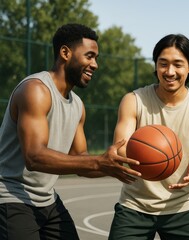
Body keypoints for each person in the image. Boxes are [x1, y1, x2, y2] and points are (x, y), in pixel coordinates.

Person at [0, 23, 141, 240]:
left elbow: (80, 161)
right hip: (11, 197)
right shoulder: (36, 90)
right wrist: (97, 162)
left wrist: (115, 166)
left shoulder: (77, 105)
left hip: (46, 199)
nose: (95, 64)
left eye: (96, 58)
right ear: (65, 53)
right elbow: (34, 156)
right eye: (90, 56)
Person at [108, 33, 189, 240]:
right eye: (163, 64)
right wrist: (149, 158)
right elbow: (121, 146)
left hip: (183, 207)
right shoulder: (133, 101)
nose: (170, 72)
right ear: (156, 65)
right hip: (135, 205)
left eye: (178, 64)